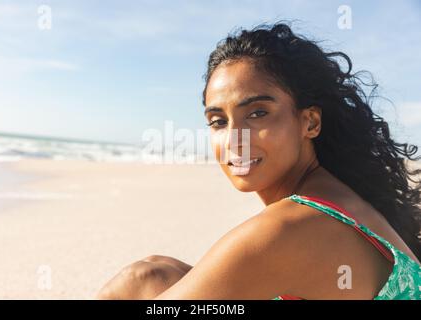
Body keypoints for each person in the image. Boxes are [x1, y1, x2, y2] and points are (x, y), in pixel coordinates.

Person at [97, 22, 421, 300]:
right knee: (157, 273)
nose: (235, 139)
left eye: (257, 113)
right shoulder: (337, 197)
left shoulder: (287, 230)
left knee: (140, 282)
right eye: (218, 121)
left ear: (309, 122)